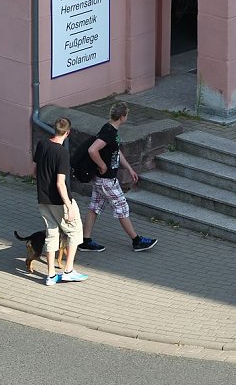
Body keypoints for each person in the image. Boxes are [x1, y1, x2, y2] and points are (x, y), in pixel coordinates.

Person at [78, 102, 157, 253]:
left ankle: (85, 241)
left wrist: (129, 168)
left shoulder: (110, 129)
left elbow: (116, 151)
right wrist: (102, 165)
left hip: (102, 180)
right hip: (106, 180)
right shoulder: (108, 132)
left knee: (95, 207)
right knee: (122, 207)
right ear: (122, 117)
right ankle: (137, 241)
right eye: (126, 114)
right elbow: (92, 150)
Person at [33, 117, 88, 286]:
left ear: (54, 129)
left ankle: (50, 275)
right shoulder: (63, 153)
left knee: (51, 234)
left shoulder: (42, 144)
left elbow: (34, 171)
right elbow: (60, 183)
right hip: (58, 200)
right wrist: (69, 206)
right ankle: (68, 271)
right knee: (75, 232)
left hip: (42, 198)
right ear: (68, 132)